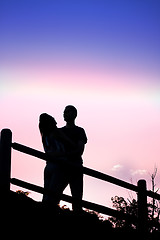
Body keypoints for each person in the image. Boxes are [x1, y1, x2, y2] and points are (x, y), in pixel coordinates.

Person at [61, 105, 87, 212]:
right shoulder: (59, 131)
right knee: (53, 194)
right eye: (64, 112)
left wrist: (65, 155)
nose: (65, 114)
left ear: (74, 114)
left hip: (75, 167)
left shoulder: (80, 131)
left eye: (67, 112)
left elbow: (80, 150)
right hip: (61, 168)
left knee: (77, 199)